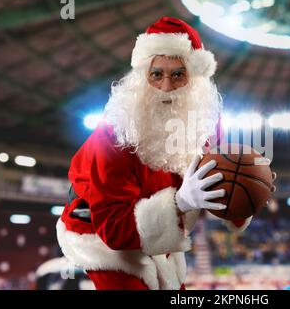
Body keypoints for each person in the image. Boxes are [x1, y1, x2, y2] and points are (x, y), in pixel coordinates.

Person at [56, 17, 254, 290]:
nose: (166, 87)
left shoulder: (206, 125)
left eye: (178, 74)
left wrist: (249, 192)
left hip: (160, 236)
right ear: (142, 77)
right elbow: (113, 230)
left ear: (195, 79)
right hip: (99, 237)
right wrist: (180, 203)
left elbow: (221, 185)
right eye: (156, 74)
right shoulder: (112, 134)